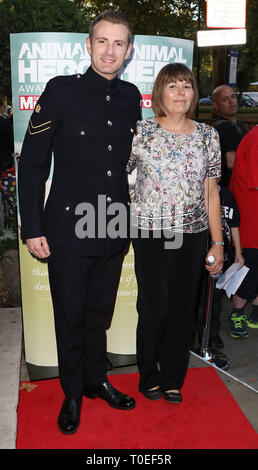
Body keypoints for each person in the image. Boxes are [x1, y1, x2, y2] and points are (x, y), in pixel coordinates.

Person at [18, 10, 141, 434]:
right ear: (88, 46)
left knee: (98, 314)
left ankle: (95, 379)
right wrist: (32, 226)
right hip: (67, 227)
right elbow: (33, 163)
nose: (110, 50)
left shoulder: (130, 96)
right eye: (102, 41)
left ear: (128, 51)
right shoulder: (60, 91)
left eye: (119, 43)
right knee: (69, 315)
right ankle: (71, 393)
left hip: (112, 224)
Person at [127, 63, 223, 404]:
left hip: (192, 233)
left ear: (194, 93)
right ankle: (148, 374)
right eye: (172, 86)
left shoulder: (208, 136)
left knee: (183, 307)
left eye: (186, 86)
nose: (180, 93)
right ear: (159, 94)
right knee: (154, 306)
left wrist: (217, 242)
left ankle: (172, 377)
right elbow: (119, 181)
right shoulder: (141, 133)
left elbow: (212, 193)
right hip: (150, 231)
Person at [229, 125, 258, 338]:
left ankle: (255, 312)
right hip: (250, 220)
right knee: (248, 269)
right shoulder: (256, 138)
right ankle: (237, 313)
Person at [208, 182, 244, 347]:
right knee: (199, 298)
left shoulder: (228, 195)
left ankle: (212, 335)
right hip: (203, 254)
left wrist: (238, 253)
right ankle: (193, 336)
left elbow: (234, 225)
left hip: (224, 256)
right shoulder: (201, 191)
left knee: (216, 299)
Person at [212, 85, 247, 186]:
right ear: (216, 105)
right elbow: (231, 162)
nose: (231, 102)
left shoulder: (238, 123)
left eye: (233, 96)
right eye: (225, 99)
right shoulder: (225, 127)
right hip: (232, 186)